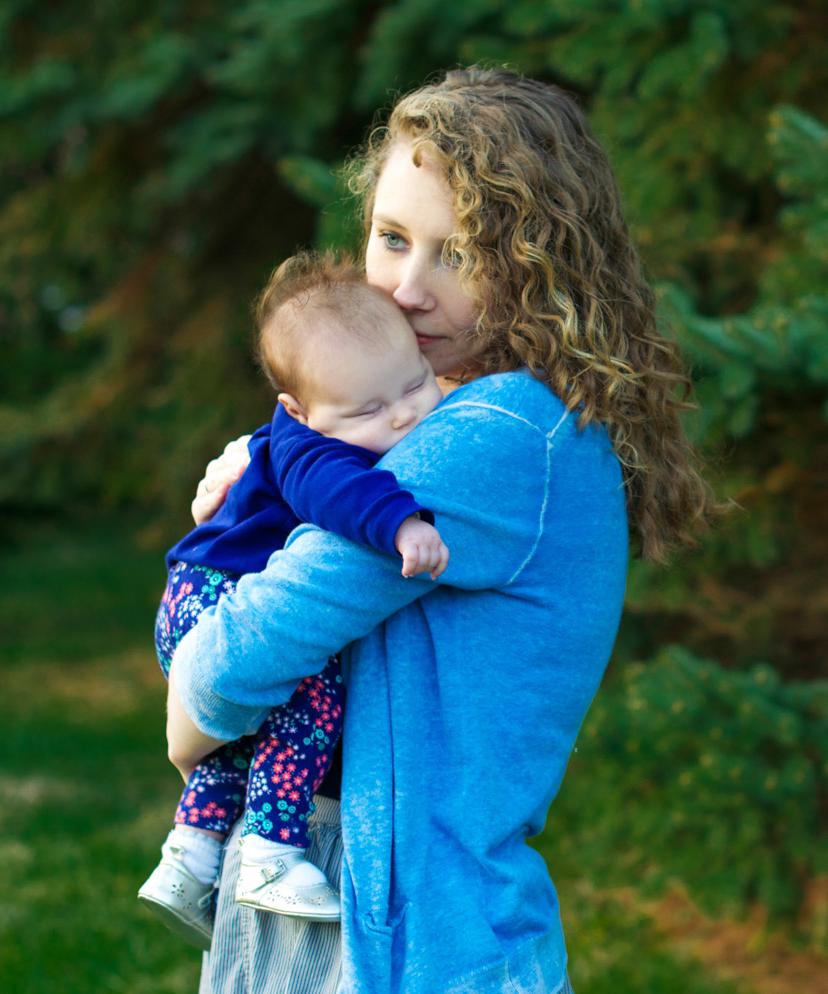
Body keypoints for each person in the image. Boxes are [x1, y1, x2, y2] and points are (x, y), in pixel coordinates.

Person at [165, 67, 716, 994]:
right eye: (390, 239)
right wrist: (260, 467)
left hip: (413, 943)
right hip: (367, 904)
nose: (408, 290)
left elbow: (237, 660)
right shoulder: (469, 417)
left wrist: (191, 716)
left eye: (457, 255)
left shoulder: (499, 431)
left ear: (538, 262)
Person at [140, 254, 450, 949]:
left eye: (416, 384)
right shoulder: (310, 448)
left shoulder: (325, 421)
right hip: (217, 595)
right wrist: (400, 523)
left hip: (195, 586)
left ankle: (188, 859)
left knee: (246, 737)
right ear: (298, 413)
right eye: (370, 409)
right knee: (312, 699)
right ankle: (274, 850)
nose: (404, 415)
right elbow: (335, 492)